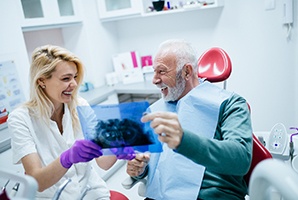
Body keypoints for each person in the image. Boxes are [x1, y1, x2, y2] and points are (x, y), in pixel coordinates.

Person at [126, 39, 253, 200]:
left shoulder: (230, 104)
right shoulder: (155, 110)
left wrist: (183, 140)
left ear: (187, 72)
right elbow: (151, 162)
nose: (155, 80)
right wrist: (139, 169)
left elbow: (240, 159)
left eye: (162, 71)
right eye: (154, 71)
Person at [7, 45, 134, 199]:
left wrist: (117, 148)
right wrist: (67, 158)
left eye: (75, 77)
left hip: (90, 192)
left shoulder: (80, 105)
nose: (74, 84)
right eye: (66, 78)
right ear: (41, 81)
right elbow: (37, 181)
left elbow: (103, 162)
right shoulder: (20, 118)